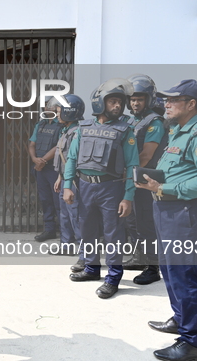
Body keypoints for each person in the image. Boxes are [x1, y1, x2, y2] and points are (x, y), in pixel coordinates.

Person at [136, 79, 197, 361]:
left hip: (186, 213)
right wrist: (154, 180)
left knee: (185, 275)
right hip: (167, 210)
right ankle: (180, 318)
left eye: (173, 100)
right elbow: (176, 169)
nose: (166, 104)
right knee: (170, 270)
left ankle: (192, 341)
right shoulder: (178, 131)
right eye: (165, 99)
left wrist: (164, 189)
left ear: (191, 105)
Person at [63, 78, 139, 299]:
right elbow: (72, 158)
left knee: (113, 234)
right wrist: (68, 185)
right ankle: (91, 268)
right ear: (100, 103)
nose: (117, 106)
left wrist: (128, 197)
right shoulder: (83, 128)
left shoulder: (126, 131)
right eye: (113, 101)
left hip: (111, 188)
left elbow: (133, 165)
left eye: (120, 103)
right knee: (86, 230)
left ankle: (113, 278)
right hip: (85, 187)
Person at [123, 74, 167, 285]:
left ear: (149, 99)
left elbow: (146, 155)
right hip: (134, 181)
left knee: (148, 223)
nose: (135, 103)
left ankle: (153, 266)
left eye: (139, 99)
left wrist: (124, 172)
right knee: (134, 221)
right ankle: (140, 257)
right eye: (132, 99)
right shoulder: (132, 120)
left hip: (146, 180)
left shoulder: (155, 122)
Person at [53, 94, 85, 264]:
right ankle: (66, 245)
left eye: (59, 112)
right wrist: (60, 177)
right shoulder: (66, 131)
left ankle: (83, 252)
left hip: (73, 182)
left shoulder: (77, 132)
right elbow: (63, 158)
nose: (57, 115)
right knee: (64, 215)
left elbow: (74, 160)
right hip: (65, 179)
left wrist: (68, 180)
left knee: (76, 216)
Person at [28, 98, 61, 242]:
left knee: (58, 201)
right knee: (45, 200)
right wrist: (35, 159)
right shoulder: (40, 124)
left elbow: (59, 146)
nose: (47, 107)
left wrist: (43, 161)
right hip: (40, 168)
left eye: (50, 105)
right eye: (46, 105)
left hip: (53, 168)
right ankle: (49, 230)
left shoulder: (61, 125)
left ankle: (66, 233)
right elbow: (32, 144)